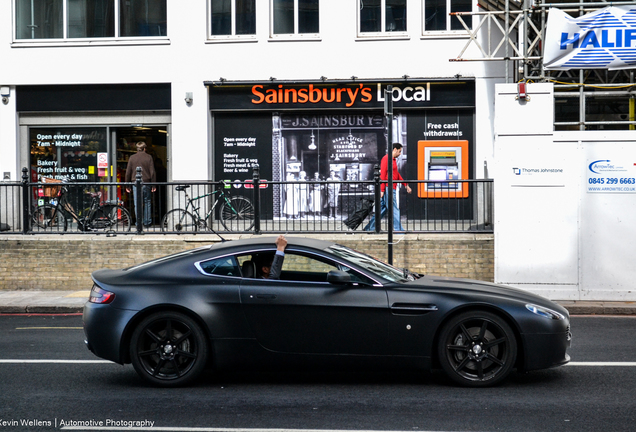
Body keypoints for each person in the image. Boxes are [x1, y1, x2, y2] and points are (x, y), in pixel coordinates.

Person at [364, 142, 412, 232]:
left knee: (382, 209)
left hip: (388, 188)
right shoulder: (386, 159)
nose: (400, 153)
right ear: (394, 149)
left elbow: (396, 174)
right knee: (394, 209)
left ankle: (370, 228)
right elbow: (382, 175)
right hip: (388, 188)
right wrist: (382, 190)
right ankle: (399, 230)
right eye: (399, 151)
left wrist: (406, 185)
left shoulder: (392, 160)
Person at [125, 141, 156, 227]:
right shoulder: (149, 157)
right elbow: (152, 172)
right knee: (147, 202)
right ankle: (147, 222)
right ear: (145, 148)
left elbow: (128, 172)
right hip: (146, 182)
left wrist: (127, 184)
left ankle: (138, 222)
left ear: (137, 149)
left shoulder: (132, 158)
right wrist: (153, 184)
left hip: (135, 183)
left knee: (137, 203)